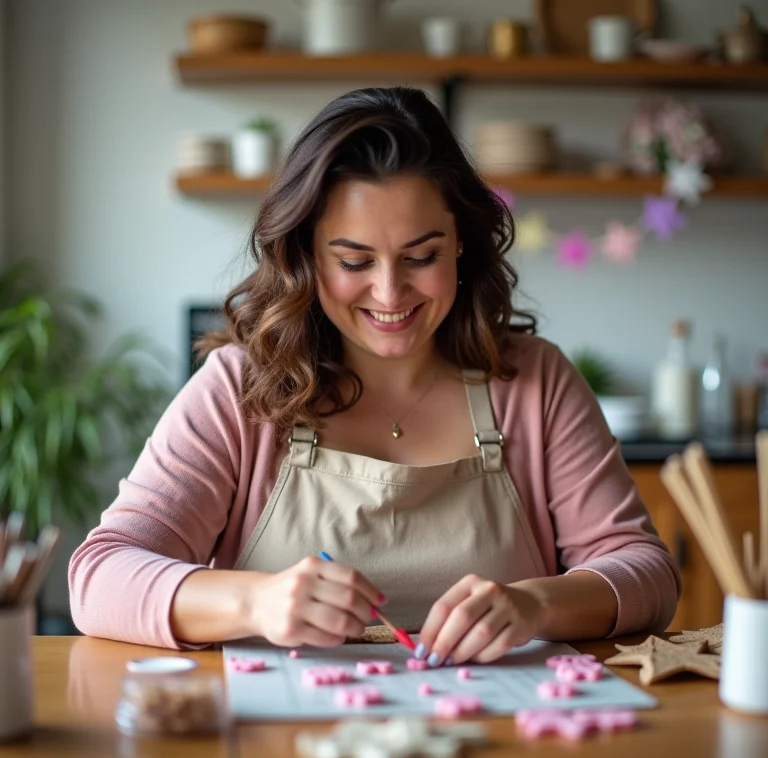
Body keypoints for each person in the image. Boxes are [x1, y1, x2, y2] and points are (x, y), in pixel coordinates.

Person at [69, 87, 680, 666]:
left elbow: (646, 571)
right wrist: (253, 601)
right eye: (354, 261)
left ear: (461, 243)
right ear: (307, 254)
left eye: (421, 257)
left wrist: (536, 604)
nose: (390, 293)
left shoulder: (535, 383)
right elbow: (98, 578)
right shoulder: (240, 390)